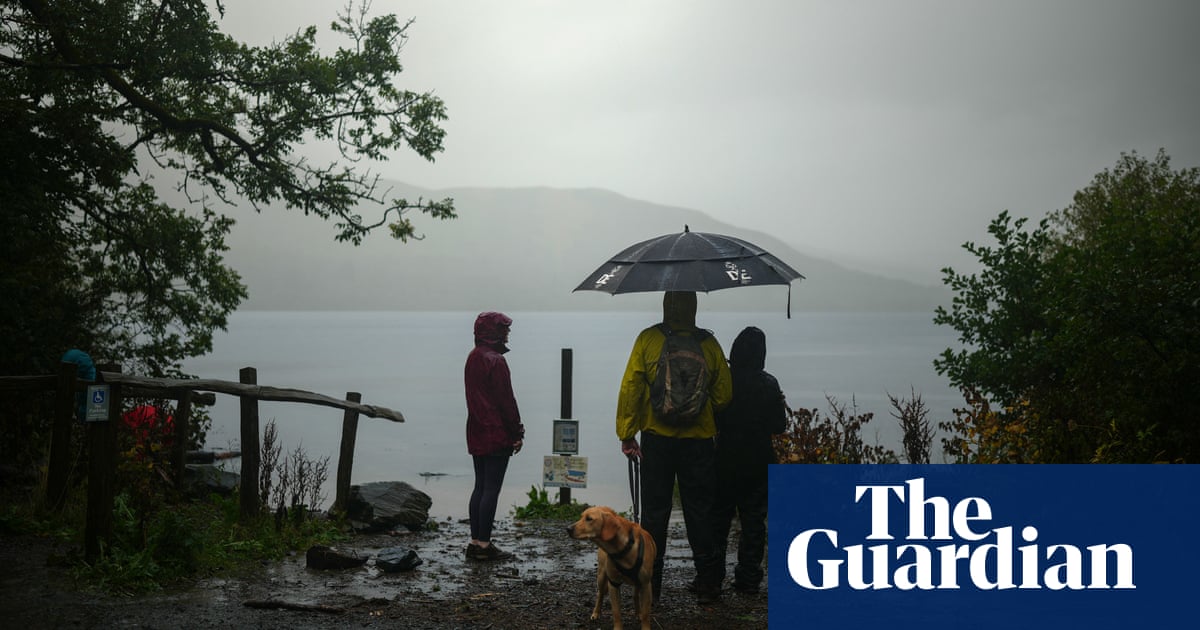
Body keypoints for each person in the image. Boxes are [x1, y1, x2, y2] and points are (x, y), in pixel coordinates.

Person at [616, 291, 733, 604]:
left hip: (657, 439)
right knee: (700, 512)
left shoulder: (648, 340)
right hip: (699, 442)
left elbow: (631, 387)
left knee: (655, 514)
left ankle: (649, 590)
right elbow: (723, 396)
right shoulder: (709, 344)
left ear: (666, 304)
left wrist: (627, 433)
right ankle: (708, 586)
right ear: (694, 306)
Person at [712, 326, 788, 594]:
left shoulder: (725, 381)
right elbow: (779, 425)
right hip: (759, 460)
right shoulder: (769, 383)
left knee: (719, 519)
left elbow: (714, 418)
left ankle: (712, 576)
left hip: (726, 458)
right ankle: (749, 578)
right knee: (754, 521)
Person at [464, 311, 525, 561]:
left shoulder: (473, 357)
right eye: (504, 329)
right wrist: (517, 431)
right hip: (497, 432)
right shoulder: (496, 361)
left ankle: (475, 541)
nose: (508, 333)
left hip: (476, 429)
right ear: (494, 332)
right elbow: (506, 401)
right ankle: (484, 546)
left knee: (480, 486)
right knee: (491, 489)